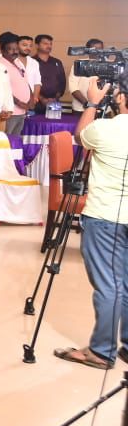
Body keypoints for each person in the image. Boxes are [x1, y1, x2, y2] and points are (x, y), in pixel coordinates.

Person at [51, 76, 128, 369]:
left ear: (120, 97)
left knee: (109, 286)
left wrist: (93, 103)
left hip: (106, 217)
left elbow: (80, 135)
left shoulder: (105, 128)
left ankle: (102, 351)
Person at [0, 32, 38, 136]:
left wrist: (31, 97)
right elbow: (1, 88)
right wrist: (18, 102)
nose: (15, 51)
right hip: (10, 112)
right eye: (11, 49)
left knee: (16, 142)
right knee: (6, 140)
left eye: (16, 49)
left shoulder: (18, 62)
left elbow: (26, 82)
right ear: (2, 50)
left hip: (22, 111)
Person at [33, 34, 67, 113]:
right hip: (36, 103)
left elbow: (62, 82)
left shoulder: (57, 62)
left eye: (50, 44)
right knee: (36, 124)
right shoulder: (31, 62)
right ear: (37, 45)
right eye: (45, 43)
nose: (49, 46)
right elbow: (29, 83)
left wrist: (55, 98)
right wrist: (42, 99)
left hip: (54, 103)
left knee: (54, 124)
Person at [70, 39, 107, 111]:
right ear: (87, 50)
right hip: (81, 109)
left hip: (103, 109)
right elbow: (73, 87)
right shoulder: (79, 64)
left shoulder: (109, 65)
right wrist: (88, 104)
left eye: (101, 49)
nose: (98, 51)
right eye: (95, 49)